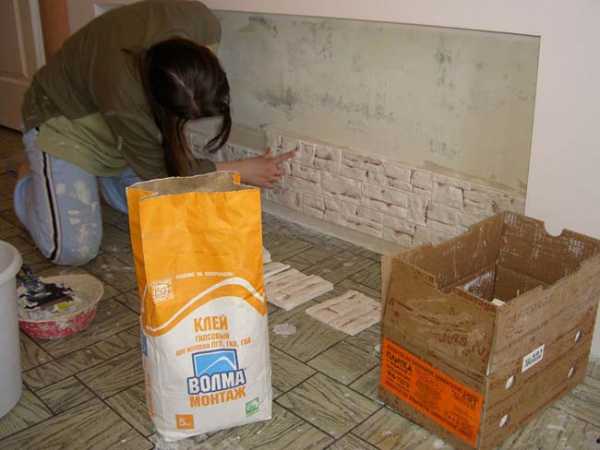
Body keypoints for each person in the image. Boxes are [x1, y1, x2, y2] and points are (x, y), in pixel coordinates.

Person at [14, 0, 294, 266]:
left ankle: (102, 176)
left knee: (162, 207)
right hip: (67, 123)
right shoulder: (125, 97)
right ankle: (31, 176)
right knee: (73, 250)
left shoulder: (203, 24)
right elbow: (162, 172)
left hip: (118, 130)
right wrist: (238, 170)